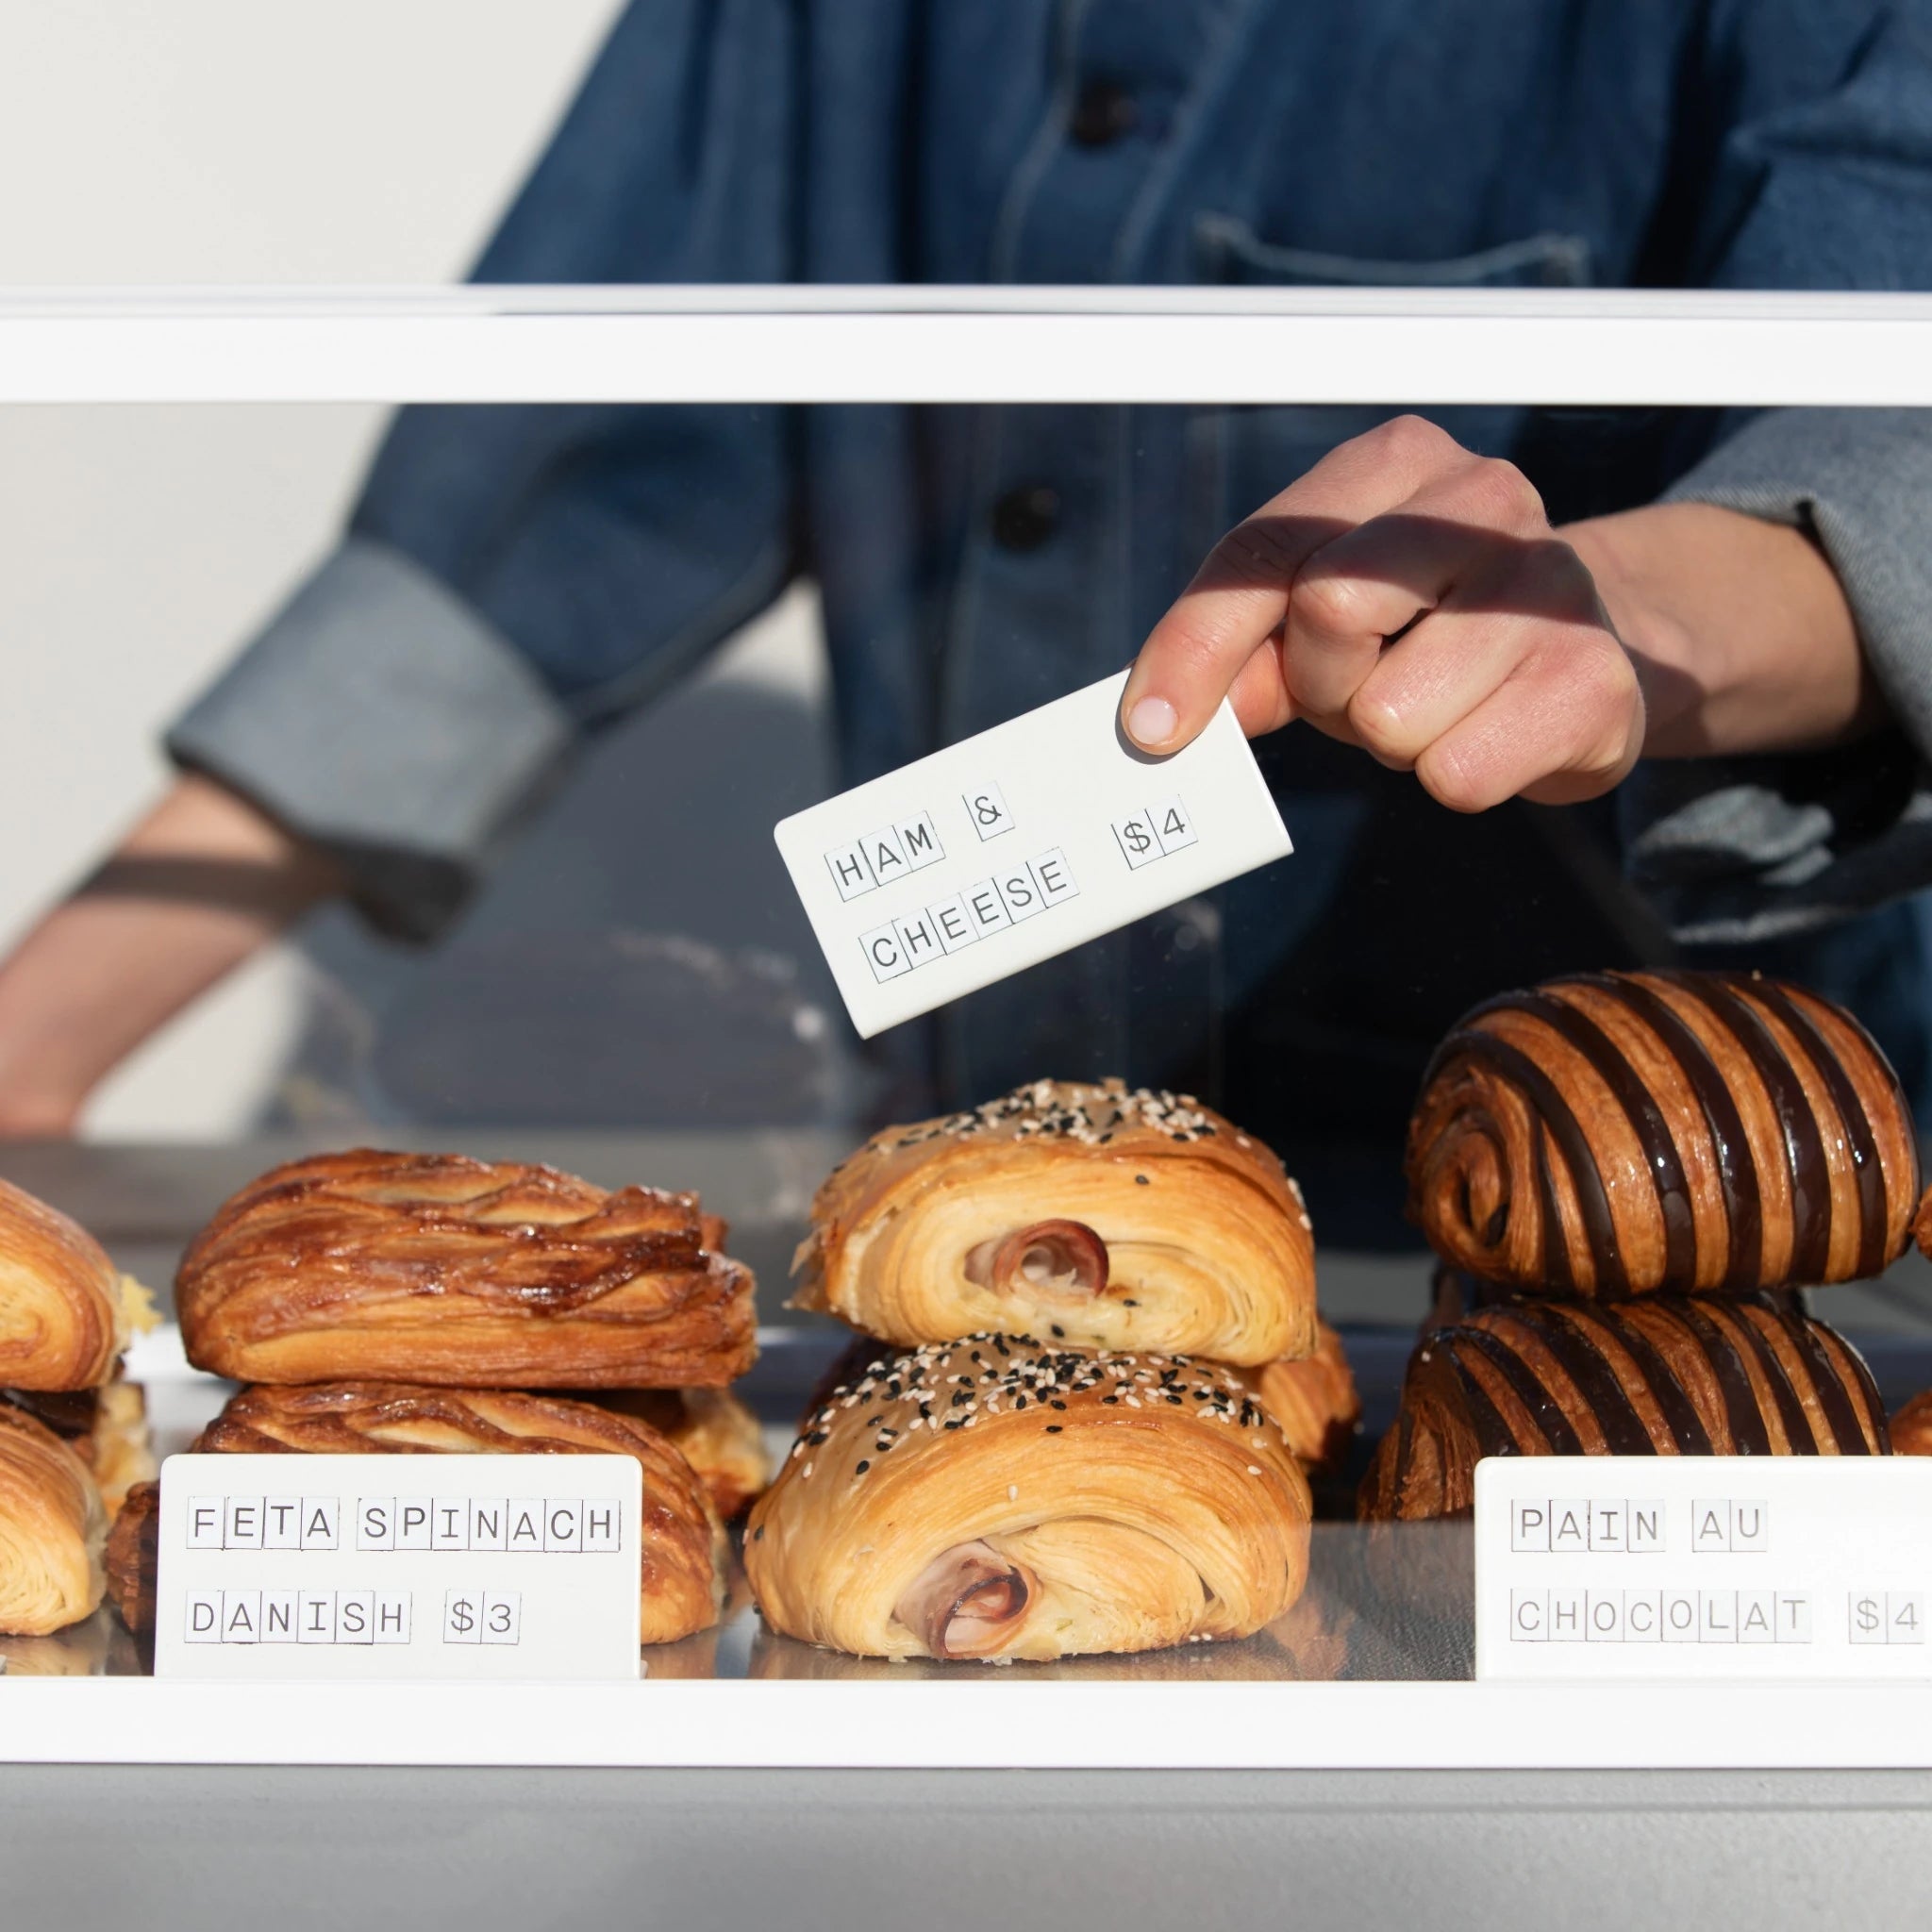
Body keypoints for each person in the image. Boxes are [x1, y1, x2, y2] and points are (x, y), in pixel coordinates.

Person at [3, 0, 1931, 1245]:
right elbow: (565, 491)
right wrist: (39, 1037)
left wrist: (1615, 610)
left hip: (1662, 1251)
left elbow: (1877, 409)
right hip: (968, 1197)